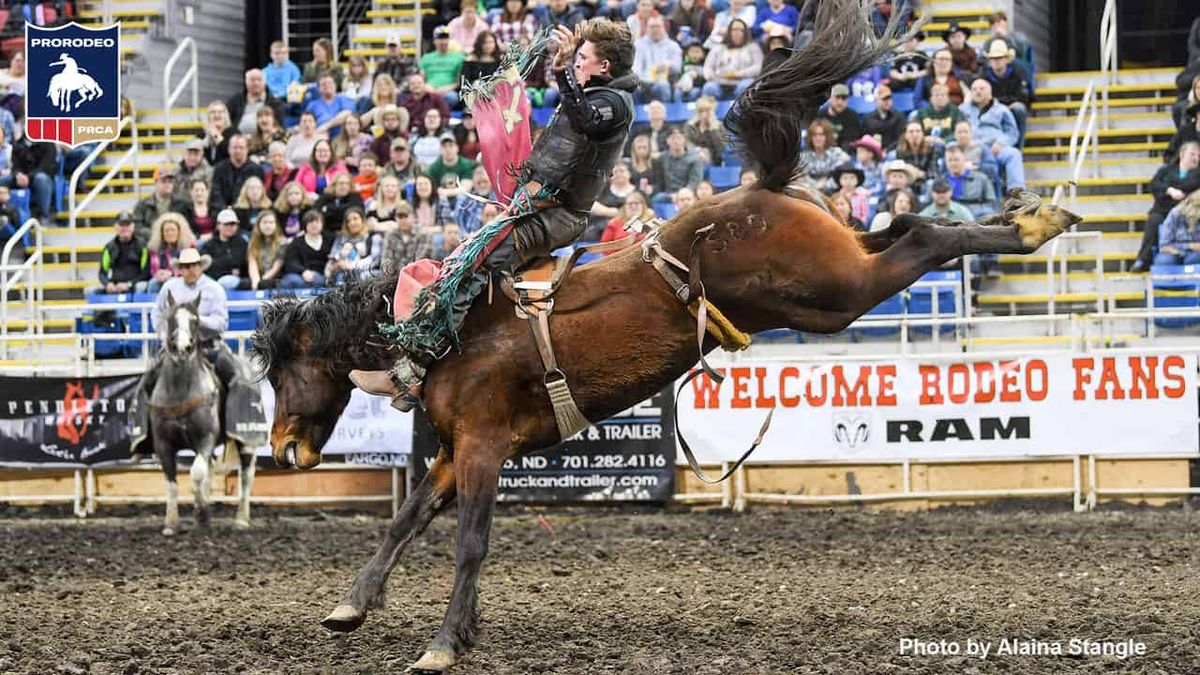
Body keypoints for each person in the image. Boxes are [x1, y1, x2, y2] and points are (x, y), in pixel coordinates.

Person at [351, 18, 638, 410]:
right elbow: (577, 112)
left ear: (604, 66)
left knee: (474, 266)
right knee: (465, 257)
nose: (577, 61)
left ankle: (411, 375)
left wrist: (564, 74)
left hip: (556, 216)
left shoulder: (616, 102)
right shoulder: (599, 91)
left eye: (583, 58)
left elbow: (586, 117)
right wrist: (564, 72)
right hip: (542, 207)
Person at [1133, 141, 1200, 272]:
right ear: (1182, 154)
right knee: (1154, 220)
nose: (1196, 158)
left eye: (1198, 156)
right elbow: (1153, 185)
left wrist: (1176, 191)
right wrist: (1169, 190)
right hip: (1163, 209)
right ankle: (1143, 259)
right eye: (1192, 154)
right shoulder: (1166, 170)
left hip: (1187, 211)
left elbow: (1191, 189)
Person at [959, 78, 1025, 189]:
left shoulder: (1001, 109)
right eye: (974, 89)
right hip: (971, 149)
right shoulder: (962, 109)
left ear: (990, 94)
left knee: (1014, 154)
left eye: (981, 89)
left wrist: (1001, 143)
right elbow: (955, 129)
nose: (977, 91)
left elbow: (1012, 133)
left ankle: (1017, 193)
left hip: (995, 148)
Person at [980, 40, 1033, 144]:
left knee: (1020, 110)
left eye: (1000, 58)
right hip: (991, 110)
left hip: (1013, 108)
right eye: (993, 59)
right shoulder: (984, 77)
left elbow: (1025, 96)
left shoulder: (1018, 74)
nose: (996, 61)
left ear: (1006, 60)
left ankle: (1018, 147)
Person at [2, 124, 55, 219]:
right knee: (2, 180)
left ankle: (44, 215)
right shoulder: (18, 144)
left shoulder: (48, 143)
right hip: (21, 178)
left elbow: (47, 166)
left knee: (41, 178)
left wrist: (29, 177)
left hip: (41, 177)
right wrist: (18, 175)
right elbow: (15, 167)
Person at [701, 19, 761, 100]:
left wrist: (738, 74)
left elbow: (758, 67)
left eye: (741, 30)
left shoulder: (753, 47)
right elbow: (707, 67)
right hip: (719, 81)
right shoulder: (718, 48)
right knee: (709, 87)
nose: (738, 32)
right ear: (729, 31)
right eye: (735, 29)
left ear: (746, 33)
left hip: (743, 80)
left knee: (745, 87)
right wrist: (715, 77)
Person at [141, 212, 196, 293]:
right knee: (153, 283)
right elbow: (147, 272)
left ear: (179, 232)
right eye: (166, 231)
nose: (170, 233)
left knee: (169, 282)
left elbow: (192, 270)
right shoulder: (154, 249)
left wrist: (171, 274)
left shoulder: (189, 248)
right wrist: (158, 274)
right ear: (162, 233)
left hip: (183, 279)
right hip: (158, 279)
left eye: (173, 230)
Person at [131, 165, 189, 241]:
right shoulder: (143, 205)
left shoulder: (181, 203)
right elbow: (137, 227)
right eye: (164, 181)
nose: (168, 185)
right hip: (151, 241)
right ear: (155, 183)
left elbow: (188, 225)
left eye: (170, 182)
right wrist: (156, 234)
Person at [96, 211, 149, 294]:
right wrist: (107, 284)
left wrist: (129, 284)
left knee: (141, 286)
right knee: (89, 291)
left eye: (127, 225)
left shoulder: (142, 246)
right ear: (115, 227)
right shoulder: (109, 247)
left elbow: (145, 273)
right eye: (121, 225)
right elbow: (102, 272)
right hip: (115, 285)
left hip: (135, 285)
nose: (125, 228)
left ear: (133, 226)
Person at [326, 206, 381, 284]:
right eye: (348, 221)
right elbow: (333, 256)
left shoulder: (373, 237)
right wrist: (336, 263)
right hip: (343, 274)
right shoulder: (341, 238)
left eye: (355, 218)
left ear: (362, 220)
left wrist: (352, 265)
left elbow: (375, 260)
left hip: (365, 273)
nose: (352, 223)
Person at [280, 210, 334, 288]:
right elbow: (291, 262)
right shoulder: (297, 242)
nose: (314, 225)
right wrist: (303, 271)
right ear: (305, 225)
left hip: (321, 275)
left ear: (322, 224)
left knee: (317, 281)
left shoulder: (329, 239)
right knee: (293, 281)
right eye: (311, 222)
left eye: (317, 222)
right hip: (298, 274)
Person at [633, 16, 682, 103]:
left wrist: (670, 65)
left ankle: (664, 114)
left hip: (663, 81)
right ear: (647, 28)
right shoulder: (638, 45)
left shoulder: (673, 45)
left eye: (658, 26)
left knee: (663, 86)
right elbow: (635, 68)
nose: (655, 29)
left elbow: (677, 68)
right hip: (643, 82)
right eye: (652, 27)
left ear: (663, 28)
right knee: (631, 87)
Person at [211, 134, 264, 210]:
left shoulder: (256, 170)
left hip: (247, 211)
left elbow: (260, 195)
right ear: (229, 149)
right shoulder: (219, 168)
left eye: (241, 148)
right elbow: (216, 193)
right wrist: (225, 210)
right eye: (235, 147)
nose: (238, 151)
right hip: (223, 212)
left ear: (247, 149)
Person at [227, 69, 286, 137]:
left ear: (265, 82)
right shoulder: (235, 100)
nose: (256, 83)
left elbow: (279, 126)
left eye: (259, 80)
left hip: (264, 140)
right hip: (238, 140)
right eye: (252, 80)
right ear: (246, 82)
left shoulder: (275, 103)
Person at [650, 126, 703, 201]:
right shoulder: (662, 158)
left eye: (679, 138)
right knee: (656, 198)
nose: (676, 141)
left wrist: (681, 195)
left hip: (688, 194)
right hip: (668, 195)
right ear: (667, 141)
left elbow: (694, 182)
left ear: (684, 139)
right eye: (672, 138)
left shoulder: (694, 159)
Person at [202, 209, 250, 290]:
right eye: (226, 224)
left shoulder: (242, 243)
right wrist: (230, 270)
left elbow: (244, 264)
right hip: (215, 282)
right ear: (218, 225)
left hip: (240, 282)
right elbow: (207, 267)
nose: (229, 227)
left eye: (232, 224)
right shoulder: (209, 245)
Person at [943, 144, 996, 218]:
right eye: (950, 160)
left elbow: (991, 202)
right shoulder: (942, 181)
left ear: (964, 159)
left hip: (977, 216)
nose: (953, 163)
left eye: (956, 159)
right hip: (951, 216)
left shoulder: (981, 178)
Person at [422, 26, 467, 108]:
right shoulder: (426, 58)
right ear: (434, 41)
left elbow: (459, 81)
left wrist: (444, 89)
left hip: (448, 91)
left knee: (452, 97)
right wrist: (427, 87)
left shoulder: (459, 58)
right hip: (429, 90)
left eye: (445, 38)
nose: (442, 41)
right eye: (439, 38)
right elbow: (422, 78)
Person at [799, 118, 849, 192]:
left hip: (833, 192)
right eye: (815, 135)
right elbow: (803, 177)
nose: (818, 138)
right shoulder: (804, 156)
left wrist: (825, 185)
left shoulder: (837, 153)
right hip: (810, 192)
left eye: (821, 135)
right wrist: (816, 186)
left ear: (827, 137)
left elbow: (839, 176)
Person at [1153, 191, 1200, 266]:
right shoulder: (1175, 214)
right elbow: (1164, 245)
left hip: (1196, 254)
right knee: (1165, 261)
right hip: (1174, 252)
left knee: (1194, 259)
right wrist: (1190, 246)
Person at [246, 210, 287, 290]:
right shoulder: (253, 242)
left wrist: (261, 281)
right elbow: (252, 264)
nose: (268, 226)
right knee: (244, 284)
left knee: (264, 284)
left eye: (271, 222)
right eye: (265, 222)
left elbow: (276, 267)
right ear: (259, 225)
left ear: (275, 225)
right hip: (259, 276)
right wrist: (256, 281)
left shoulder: (282, 242)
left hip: (276, 278)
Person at [819, 83, 864, 153]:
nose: (840, 102)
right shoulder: (820, 115)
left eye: (844, 98)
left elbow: (849, 142)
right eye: (837, 97)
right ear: (830, 98)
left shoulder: (853, 117)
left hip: (842, 154)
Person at [863, 85, 906, 152]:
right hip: (873, 152)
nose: (888, 101)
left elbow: (901, 139)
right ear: (876, 100)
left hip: (893, 151)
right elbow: (864, 138)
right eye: (884, 99)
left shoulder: (899, 116)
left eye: (889, 98)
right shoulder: (868, 118)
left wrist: (886, 150)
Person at [196, 100, 234, 166]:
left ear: (226, 116)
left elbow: (232, 153)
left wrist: (216, 136)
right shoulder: (201, 135)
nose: (216, 115)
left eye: (220, 112)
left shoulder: (233, 133)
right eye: (213, 112)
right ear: (208, 116)